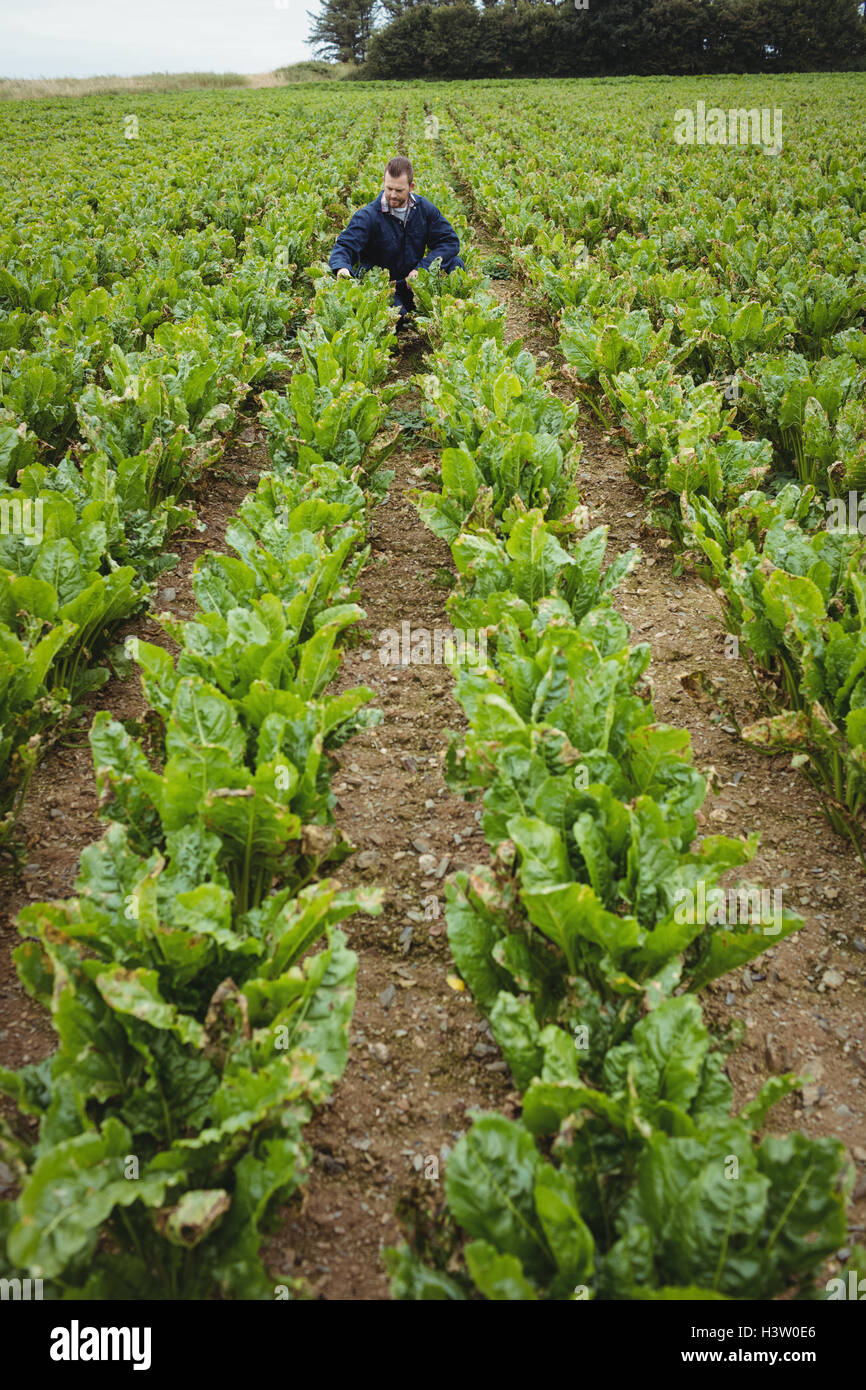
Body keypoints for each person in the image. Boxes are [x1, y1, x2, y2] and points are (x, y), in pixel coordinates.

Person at [329, 156, 465, 324]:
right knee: (395, 317)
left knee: (455, 263)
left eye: (399, 190)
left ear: (411, 187)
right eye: (389, 188)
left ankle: (448, 317)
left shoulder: (424, 209)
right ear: (383, 182)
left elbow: (449, 242)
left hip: (414, 284)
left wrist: (422, 269)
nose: (392, 195)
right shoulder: (368, 215)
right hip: (384, 288)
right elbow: (344, 246)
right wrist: (342, 269)